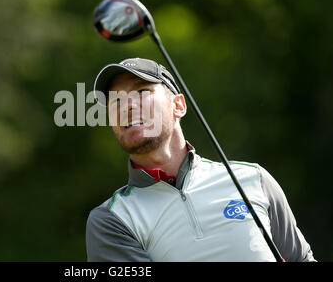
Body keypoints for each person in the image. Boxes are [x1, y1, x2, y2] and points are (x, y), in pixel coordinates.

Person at [85, 57, 315, 262]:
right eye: (116, 101)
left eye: (142, 92)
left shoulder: (254, 179)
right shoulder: (111, 219)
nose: (127, 106)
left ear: (178, 106)